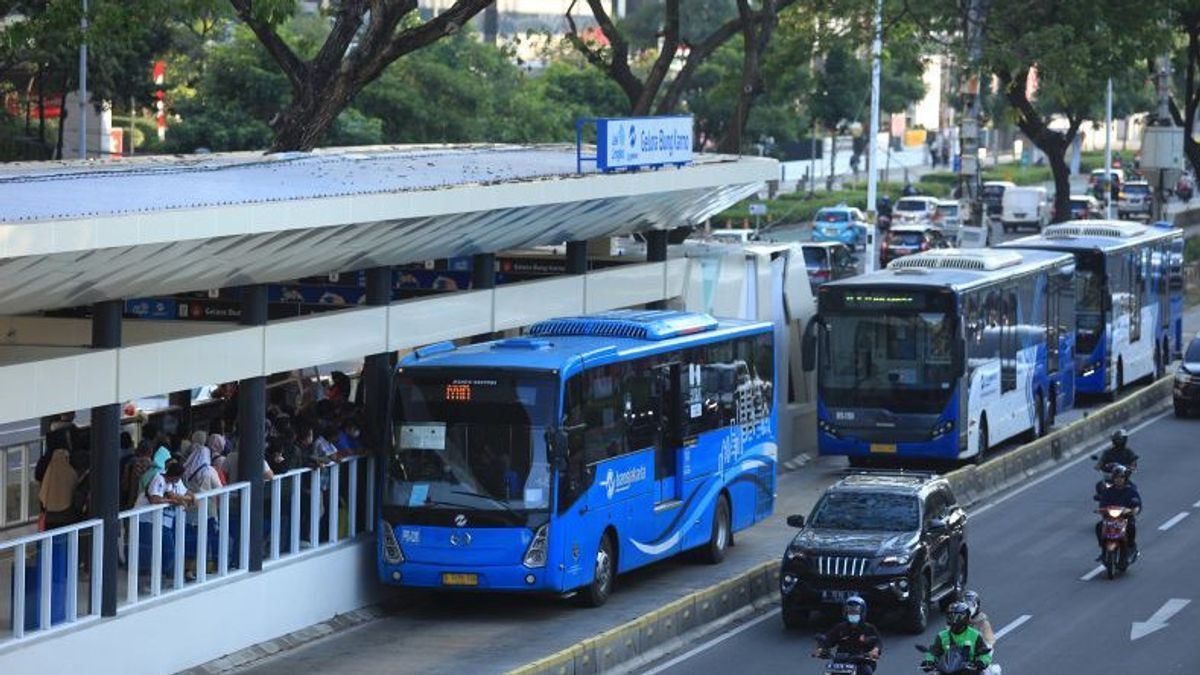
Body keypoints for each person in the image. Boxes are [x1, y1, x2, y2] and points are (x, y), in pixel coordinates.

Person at [814, 596, 881, 675]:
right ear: (845, 612)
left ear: (862, 612)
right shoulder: (840, 627)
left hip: (862, 662)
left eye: (855, 611)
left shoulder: (869, 628)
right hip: (840, 662)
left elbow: (877, 642)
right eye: (850, 611)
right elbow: (828, 639)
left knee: (866, 672)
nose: (852, 614)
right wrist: (821, 648)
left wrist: (875, 650)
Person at [923, 601, 992, 672]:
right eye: (951, 616)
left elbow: (985, 654)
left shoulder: (975, 635)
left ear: (965, 617)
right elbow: (934, 651)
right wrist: (928, 661)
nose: (954, 620)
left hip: (970, 671)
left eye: (957, 616)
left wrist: (981, 662)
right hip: (947, 671)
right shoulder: (942, 636)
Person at [1094, 464, 1141, 559]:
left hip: (1126, 518)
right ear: (1113, 478)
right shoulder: (1107, 492)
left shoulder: (1130, 491)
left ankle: (1131, 546)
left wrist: (1134, 510)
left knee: (1131, 527)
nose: (1119, 479)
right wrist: (1101, 510)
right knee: (1099, 526)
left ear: (1125, 478)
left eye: (1121, 477)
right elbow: (1102, 504)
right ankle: (1103, 549)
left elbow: (1137, 504)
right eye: (1116, 477)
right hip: (1110, 518)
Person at [39, 449, 80, 530]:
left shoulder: (48, 475)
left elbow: (42, 496)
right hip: (67, 516)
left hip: (50, 518)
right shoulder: (72, 474)